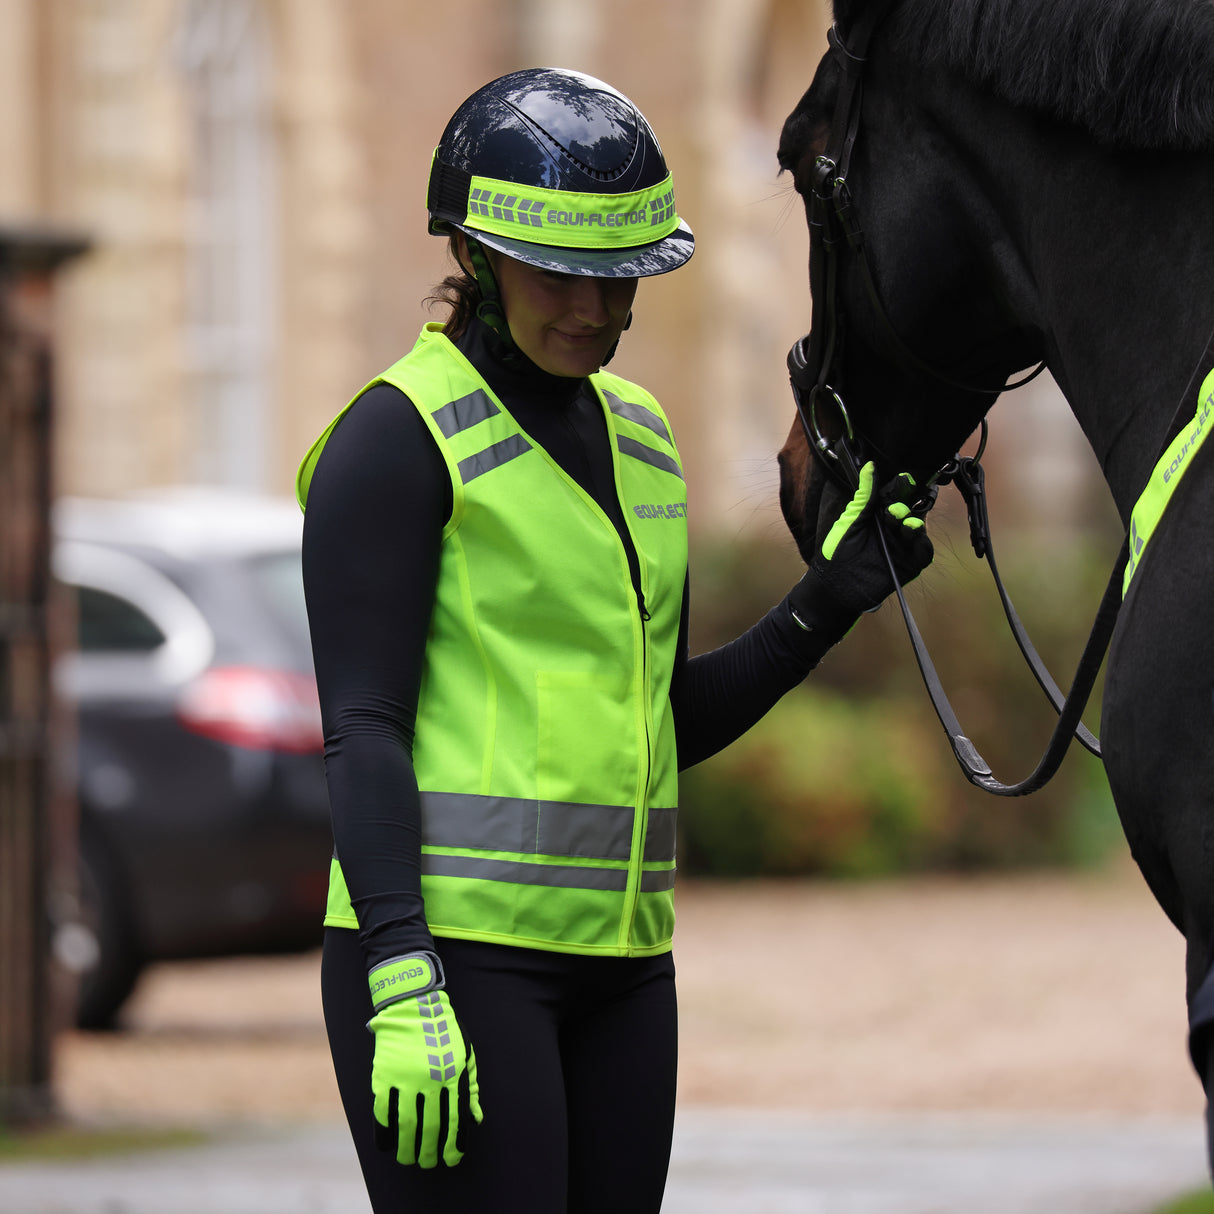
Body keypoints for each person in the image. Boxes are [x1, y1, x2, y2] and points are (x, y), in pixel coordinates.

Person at [298, 67, 933, 1214]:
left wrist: (825, 601)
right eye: (558, 276)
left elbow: (660, 718)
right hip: (451, 963)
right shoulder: (395, 439)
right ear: (478, 257)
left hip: (627, 967)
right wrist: (401, 970)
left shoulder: (641, 437)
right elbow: (363, 726)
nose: (591, 310)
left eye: (617, 279)